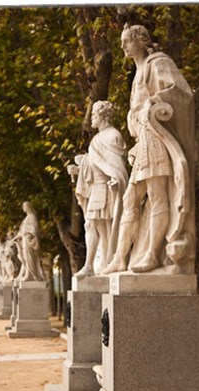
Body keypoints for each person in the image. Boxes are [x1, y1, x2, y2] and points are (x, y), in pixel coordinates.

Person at [103, 24, 195, 275]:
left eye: (126, 41)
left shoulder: (158, 63)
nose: (122, 46)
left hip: (156, 141)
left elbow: (181, 92)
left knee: (157, 198)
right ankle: (120, 258)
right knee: (129, 199)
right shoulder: (138, 72)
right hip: (142, 142)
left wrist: (155, 102)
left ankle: (154, 255)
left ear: (140, 41)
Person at [67, 100, 128, 278]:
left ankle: (104, 262)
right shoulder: (96, 139)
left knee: (106, 227)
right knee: (93, 225)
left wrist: (117, 182)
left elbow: (118, 168)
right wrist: (78, 170)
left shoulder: (113, 136)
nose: (91, 119)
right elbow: (94, 163)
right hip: (96, 189)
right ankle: (94, 264)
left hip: (107, 189)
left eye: (94, 115)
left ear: (102, 116)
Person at [13, 202, 45, 281]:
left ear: (28, 207)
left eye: (24, 206)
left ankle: (32, 275)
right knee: (26, 258)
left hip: (30, 241)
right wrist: (16, 237)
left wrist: (26, 232)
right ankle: (28, 274)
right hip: (25, 240)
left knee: (30, 258)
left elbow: (34, 229)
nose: (23, 208)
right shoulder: (27, 217)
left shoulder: (32, 217)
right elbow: (22, 230)